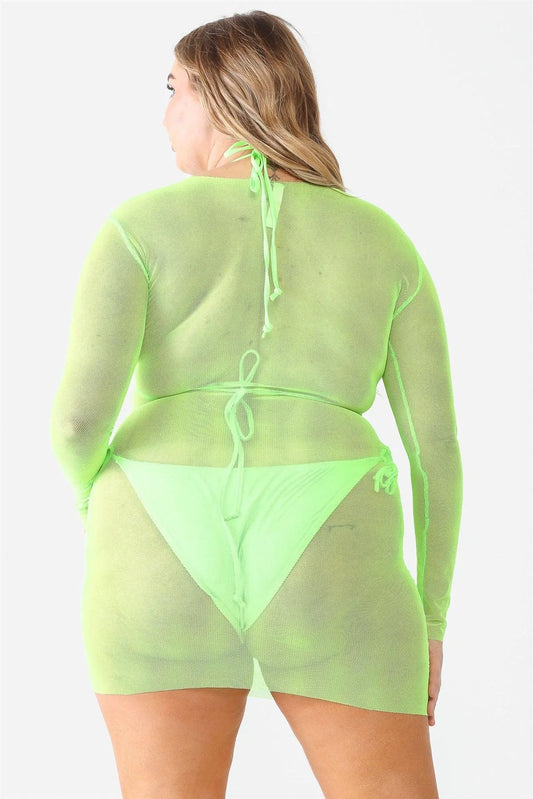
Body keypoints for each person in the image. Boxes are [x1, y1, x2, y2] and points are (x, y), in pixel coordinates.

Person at [50, 9, 462, 799]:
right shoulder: (381, 239)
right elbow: (434, 450)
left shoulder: (137, 225)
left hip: (153, 525)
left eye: (173, 89)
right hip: (333, 528)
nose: (165, 115)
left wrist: (94, 504)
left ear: (216, 95)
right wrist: (431, 617)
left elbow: (75, 421)